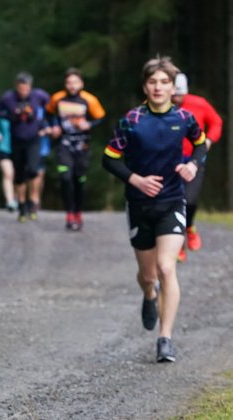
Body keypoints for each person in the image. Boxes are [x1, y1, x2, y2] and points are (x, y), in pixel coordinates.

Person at [102, 56, 204, 363]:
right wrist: (136, 179)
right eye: (152, 82)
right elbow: (109, 158)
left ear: (173, 87)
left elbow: (201, 144)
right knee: (148, 276)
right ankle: (149, 295)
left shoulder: (185, 118)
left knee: (167, 267)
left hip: (173, 201)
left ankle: (165, 339)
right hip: (139, 204)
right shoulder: (131, 120)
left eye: (164, 82)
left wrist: (192, 164)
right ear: (145, 86)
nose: (158, 87)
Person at [46, 68, 106, 231]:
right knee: (65, 178)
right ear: (65, 84)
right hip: (63, 143)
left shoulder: (89, 100)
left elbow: (101, 117)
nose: (72, 86)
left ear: (81, 84)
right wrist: (53, 126)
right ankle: (69, 213)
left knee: (79, 180)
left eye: (75, 82)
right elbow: (48, 113)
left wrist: (89, 125)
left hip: (82, 144)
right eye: (69, 82)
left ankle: (78, 212)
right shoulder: (57, 98)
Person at [172, 73, 223, 262]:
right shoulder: (160, 105)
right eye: (174, 96)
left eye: (180, 95)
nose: (177, 99)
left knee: (190, 201)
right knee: (174, 203)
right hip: (170, 161)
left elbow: (216, 122)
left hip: (195, 158)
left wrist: (209, 140)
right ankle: (178, 246)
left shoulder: (198, 103)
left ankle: (190, 227)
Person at [0, 72, 51, 221]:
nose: (23, 91)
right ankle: (21, 205)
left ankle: (33, 201)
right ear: (16, 86)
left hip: (33, 139)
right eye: (21, 88)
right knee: (19, 174)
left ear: (30, 86)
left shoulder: (39, 96)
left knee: (34, 170)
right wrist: (12, 116)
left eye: (26, 88)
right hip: (17, 140)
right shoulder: (8, 98)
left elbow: (51, 108)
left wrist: (44, 124)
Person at [0, 117, 17, 211]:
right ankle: (10, 201)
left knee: (19, 175)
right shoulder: (1, 112)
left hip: (20, 148)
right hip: (4, 148)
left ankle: (19, 199)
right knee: (8, 173)